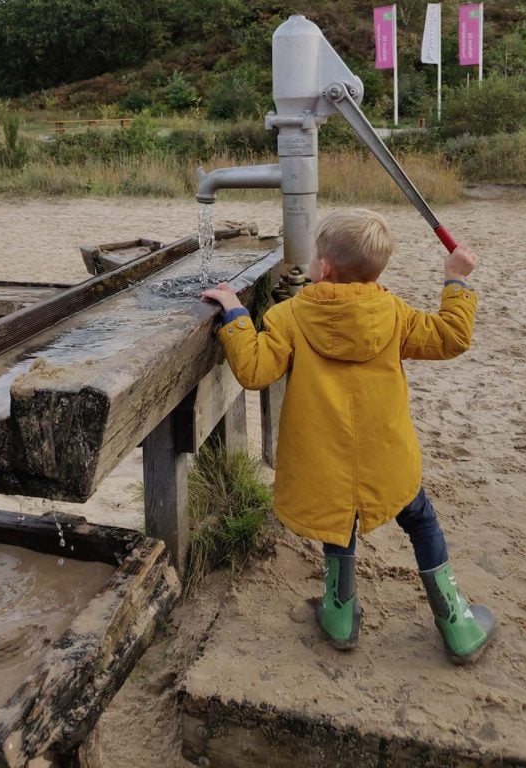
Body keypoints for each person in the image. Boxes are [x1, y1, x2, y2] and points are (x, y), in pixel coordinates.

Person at [201, 208, 495, 665]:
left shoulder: (289, 316)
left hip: (326, 463)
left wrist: (236, 314)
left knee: (339, 524)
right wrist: (454, 279)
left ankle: (340, 618)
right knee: (421, 521)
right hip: (388, 458)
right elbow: (451, 337)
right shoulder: (393, 313)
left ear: (325, 268)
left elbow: (255, 370)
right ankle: (456, 622)